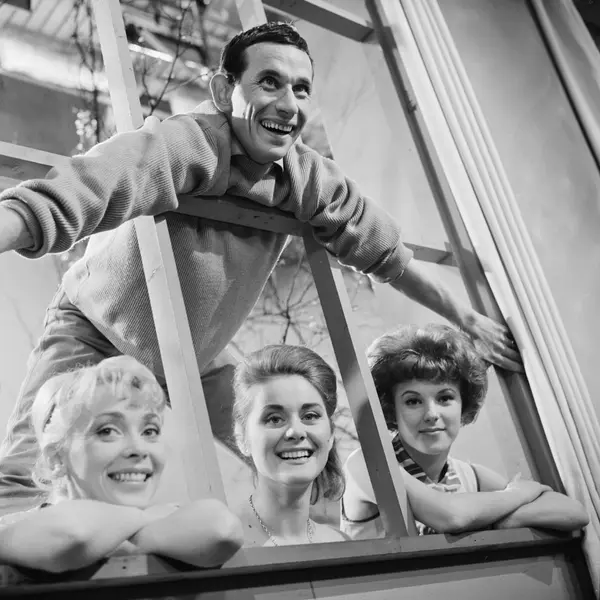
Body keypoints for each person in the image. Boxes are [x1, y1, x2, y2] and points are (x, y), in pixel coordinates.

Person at [0, 22, 521, 512]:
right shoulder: (188, 141)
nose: (288, 104)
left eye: (301, 88)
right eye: (269, 82)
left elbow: (386, 252)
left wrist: (466, 318)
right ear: (225, 91)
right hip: (94, 327)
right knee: (23, 477)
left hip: (195, 354)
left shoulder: (307, 177)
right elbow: (93, 184)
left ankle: (345, 544)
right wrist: (16, 220)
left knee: (308, 466)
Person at [0, 356, 244, 573]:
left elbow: (222, 530)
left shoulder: (169, 517)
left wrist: (129, 532)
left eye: (150, 431)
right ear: (56, 458)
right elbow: (74, 535)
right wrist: (142, 520)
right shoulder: (11, 526)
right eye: (107, 431)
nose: (138, 449)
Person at [341, 324, 588, 539]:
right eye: (413, 401)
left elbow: (574, 512)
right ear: (391, 409)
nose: (431, 413)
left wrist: (502, 520)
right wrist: (517, 494)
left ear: (463, 405)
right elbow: (451, 517)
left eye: (445, 398)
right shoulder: (367, 463)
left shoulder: (469, 475)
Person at [231, 344, 346, 546]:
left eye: (310, 416)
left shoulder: (342, 544)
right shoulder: (220, 543)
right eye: (274, 419)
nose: (296, 431)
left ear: (330, 435)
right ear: (242, 438)